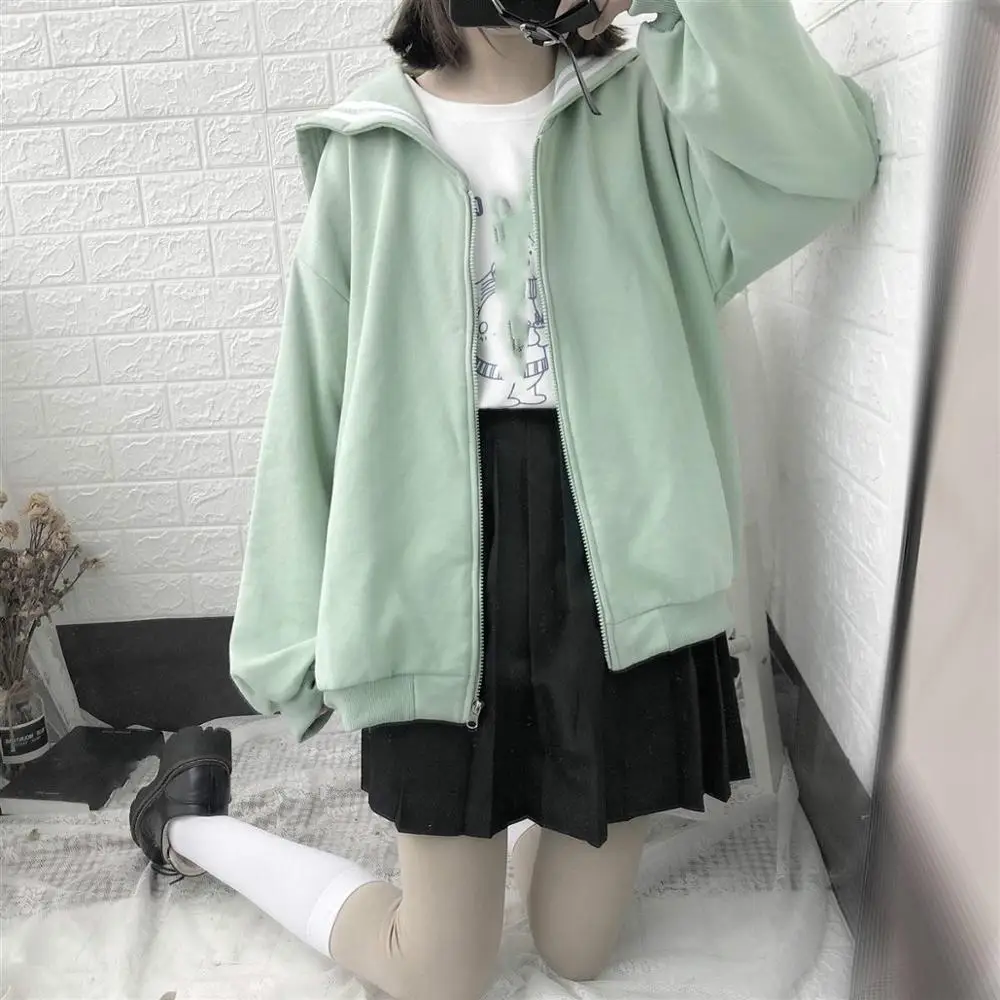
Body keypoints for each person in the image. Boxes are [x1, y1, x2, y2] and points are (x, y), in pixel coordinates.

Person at [128, 1, 879, 998]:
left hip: (621, 562)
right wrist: (285, 628)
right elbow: (313, 397)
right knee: (440, 972)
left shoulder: (648, 114)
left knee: (576, 950)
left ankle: (537, 796)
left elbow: (826, 166)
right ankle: (188, 822)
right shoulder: (367, 146)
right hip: (429, 565)